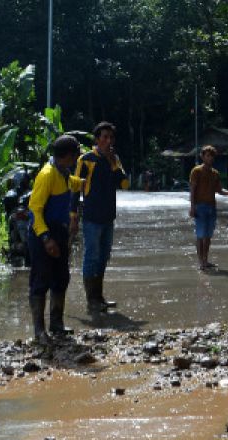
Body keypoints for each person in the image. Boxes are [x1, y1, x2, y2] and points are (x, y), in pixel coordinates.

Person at [27, 135, 84, 343]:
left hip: (59, 232)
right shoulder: (47, 174)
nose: (78, 158)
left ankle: (57, 324)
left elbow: (75, 185)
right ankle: (39, 331)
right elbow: (34, 210)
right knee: (40, 280)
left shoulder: (64, 174)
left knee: (61, 278)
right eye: (77, 154)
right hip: (42, 234)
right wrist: (45, 238)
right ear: (69, 156)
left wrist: (74, 214)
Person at [75, 121, 129, 313]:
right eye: (104, 137)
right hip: (91, 216)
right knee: (91, 256)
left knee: (103, 257)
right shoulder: (86, 159)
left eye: (110, 137)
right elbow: (75, 187)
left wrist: (114, 163)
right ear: (97, 139)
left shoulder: (114, 159)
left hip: (108, 216)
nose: (108, 141)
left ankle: (99, 297)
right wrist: (73, 214)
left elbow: (124, 185)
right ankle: (92, 300)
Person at [188, 145, 228, 270]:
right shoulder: (196, 171)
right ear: (203, 156)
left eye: (212, 156)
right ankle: (201, 262)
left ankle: (206, 260)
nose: (210, 158)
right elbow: (192, 190)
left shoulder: (215, 173)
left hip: (211, 207)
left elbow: (219, 191)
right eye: (207, 156)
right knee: (200, 236)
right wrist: (192, 207)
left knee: (208, 236)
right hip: (199, 207)